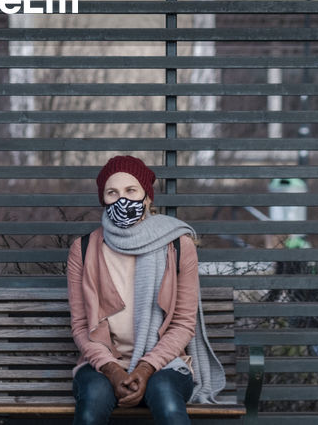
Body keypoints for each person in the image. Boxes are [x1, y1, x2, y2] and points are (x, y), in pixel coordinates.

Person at [66, 155, 225, 425]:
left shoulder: (177, 246)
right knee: (92, 404)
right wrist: (113, 370)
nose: (122, 199)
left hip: (165, 363)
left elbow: (184, 323)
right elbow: (82, 327)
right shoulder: (82, 250)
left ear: (147, 197)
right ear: (103, 200)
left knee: (167, 400)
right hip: (102, 365)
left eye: (131, 191)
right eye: (112, 192)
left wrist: (146, 367)